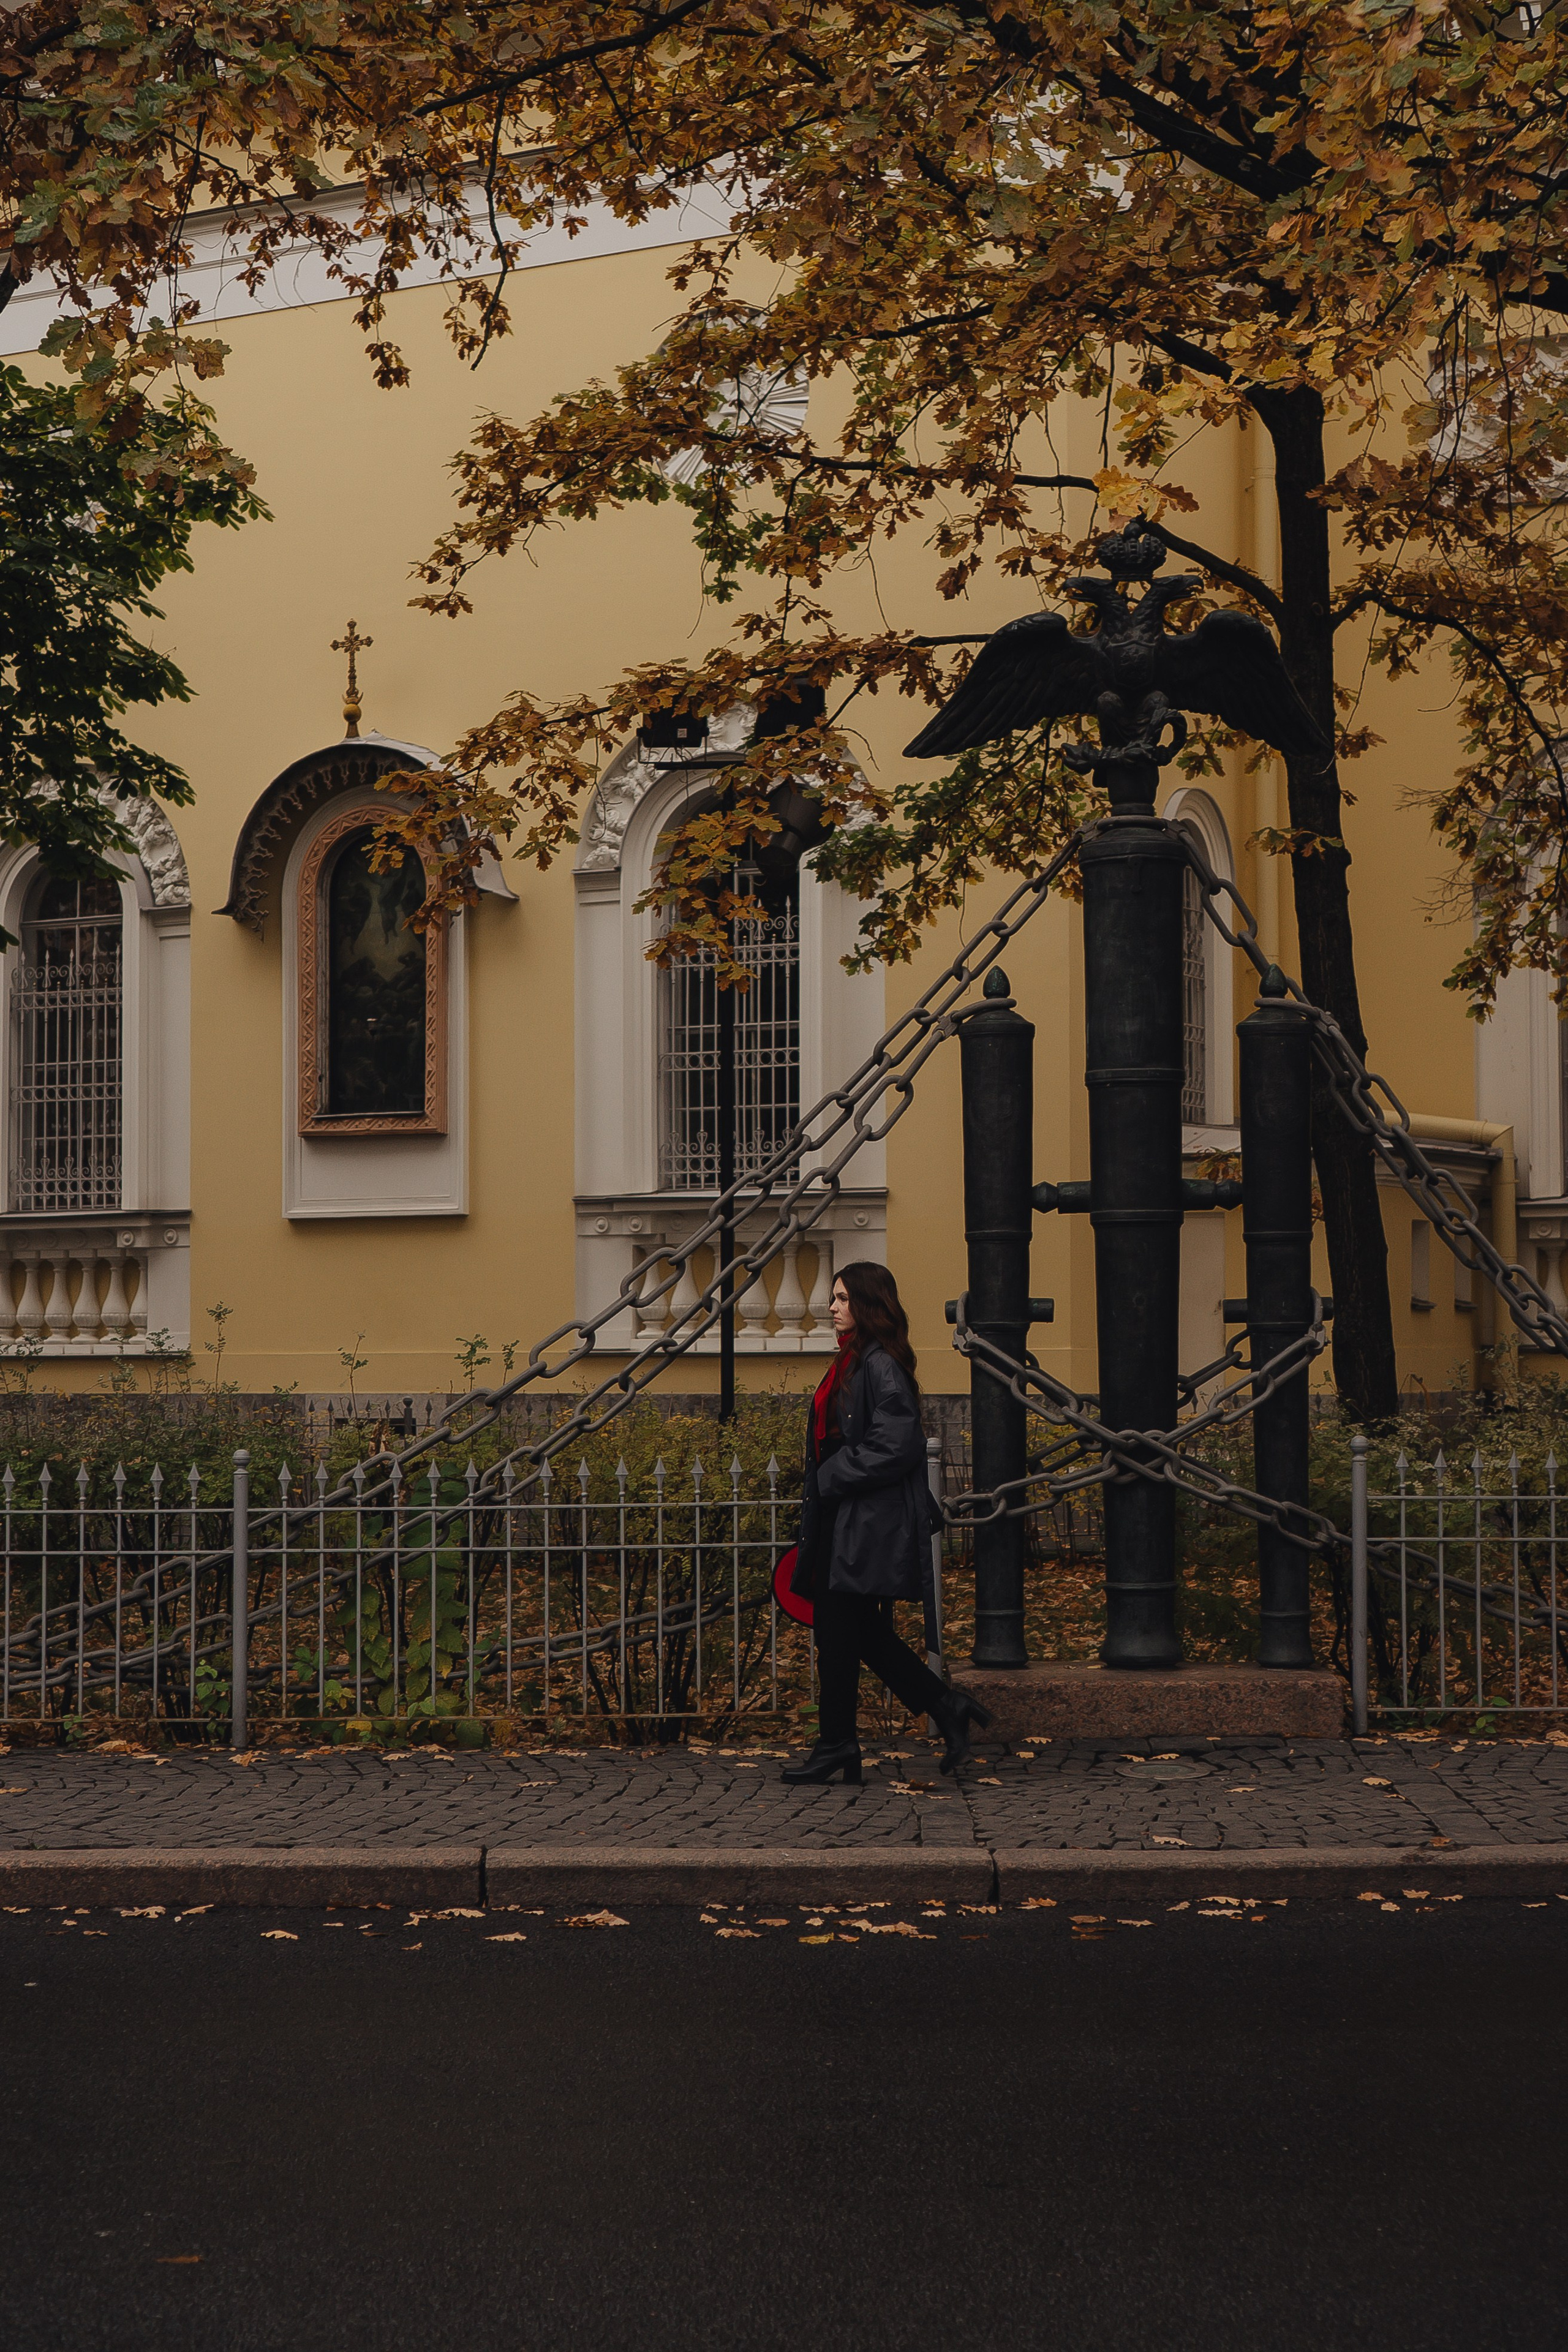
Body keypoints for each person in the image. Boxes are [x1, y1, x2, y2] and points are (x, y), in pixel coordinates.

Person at [782, 1261, 992, 1786]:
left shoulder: (879, 1364)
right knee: (850, 1632)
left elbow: (898, 1444)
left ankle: (841, 1742)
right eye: (834, 1298)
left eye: (843, 1298)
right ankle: (936, 1709)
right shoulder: (855, 1359)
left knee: (844, 1631)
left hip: (862, 1520)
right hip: (846, 1515)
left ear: (869, 1304)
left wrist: (831, 1476)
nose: (832, 1307)